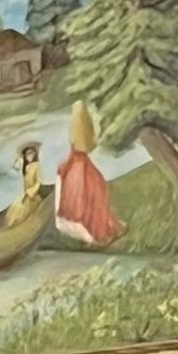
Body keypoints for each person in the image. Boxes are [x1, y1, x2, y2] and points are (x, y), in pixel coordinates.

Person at [55, 99, 122, 247]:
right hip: (78, 162)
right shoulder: (81, 127)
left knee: (88, 191)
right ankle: (92, 233)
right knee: (90, 190)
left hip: (77, 162)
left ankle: (90, 233)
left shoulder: (75, 129)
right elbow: (87, 145)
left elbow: (82, 146)